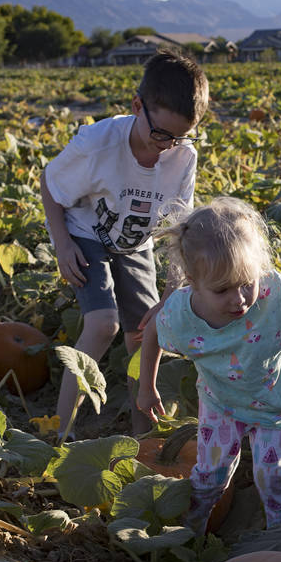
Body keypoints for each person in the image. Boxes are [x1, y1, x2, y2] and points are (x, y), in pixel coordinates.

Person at [136, 197, 281, 534]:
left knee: (274, 474)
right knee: (209, 476)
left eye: (246, 283)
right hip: (221, 404)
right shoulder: (180, 315)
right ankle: (191, 535)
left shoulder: (273, 288)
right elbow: (151, 335)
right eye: (223, 290)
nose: (240, 299)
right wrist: (147, 388)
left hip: (273, 400)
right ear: (192, 280)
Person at [40, 48, 209, 441]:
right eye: (161, 134)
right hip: (86, 234)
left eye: (181, 136)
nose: (168, 145)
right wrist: (63, 245)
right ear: (137, 106)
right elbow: (51, 182)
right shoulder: (98, 143)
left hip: (136, 244)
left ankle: (142, 440)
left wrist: (170, 296)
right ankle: (59, 433)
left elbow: (178, 229)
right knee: (102, 325)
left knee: (146, 336)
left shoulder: (182, 156)